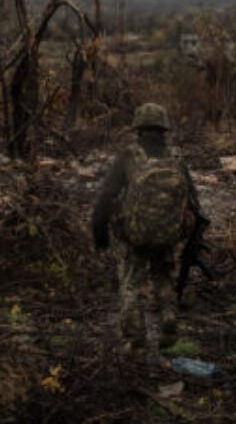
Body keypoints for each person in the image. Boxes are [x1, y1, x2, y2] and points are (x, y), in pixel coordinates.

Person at [92, 102, 202, 357]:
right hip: (168, 235)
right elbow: (194, 204)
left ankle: (136, 340)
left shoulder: (129, 157)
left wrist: (100, 234)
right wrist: (187, 233)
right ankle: (169, 322)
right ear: (164, 129)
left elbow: (106, 197)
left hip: (134, 236)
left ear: (138, 129)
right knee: (164, 277)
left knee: (130, 284)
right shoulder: (176, 159)